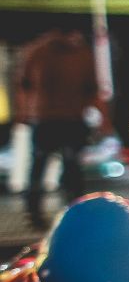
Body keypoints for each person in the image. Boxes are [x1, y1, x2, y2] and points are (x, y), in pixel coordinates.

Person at [13, 29, 104, 228]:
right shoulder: (81, 54)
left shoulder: (36, 51)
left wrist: (24, 112)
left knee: (39, 165)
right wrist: (102, 119)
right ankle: (75, 212)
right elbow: (92, 88)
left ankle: (34, 213)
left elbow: (23, 84)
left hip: (43, 117)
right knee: (72, 167)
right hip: (71, 117)